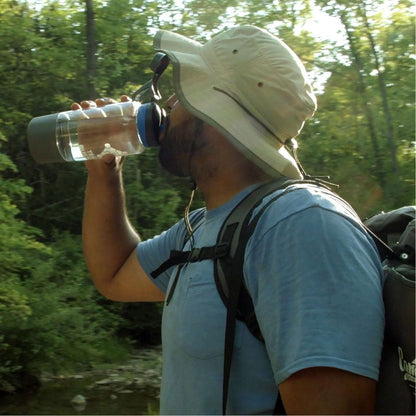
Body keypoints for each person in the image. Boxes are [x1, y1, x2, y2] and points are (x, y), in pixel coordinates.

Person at [77, 26, 385, 414]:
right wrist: (104, 170)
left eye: (184, 91)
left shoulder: (300, 225)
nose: (170, 102)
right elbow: (115, 273)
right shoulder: (203, 230)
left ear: (214, 113)